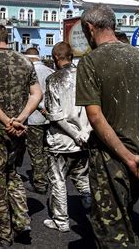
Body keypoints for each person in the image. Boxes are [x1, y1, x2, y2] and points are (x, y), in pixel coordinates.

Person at [76, 4, 139, 248]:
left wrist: (129, 158)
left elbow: (95, 117)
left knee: (114, 231)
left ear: (89, 28)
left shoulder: (90, 62)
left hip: (112, 159)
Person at [0, 24, 42, 246]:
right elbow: (37, 94)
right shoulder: (24, 60)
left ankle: (2, 232)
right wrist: (20, 118)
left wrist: (5, 120)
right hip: (18, 128)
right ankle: (22, 222)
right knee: (12, 173)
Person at [43, 42, 92, 233]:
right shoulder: (85, 76)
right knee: (82, 175)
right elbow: (95, 108)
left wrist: (74, 134)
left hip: (62, 140)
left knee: (58, 180)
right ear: (71, 56)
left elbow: (55, 115)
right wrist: (85, 132)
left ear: (56, 58)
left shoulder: (54, 79)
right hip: (85, 137)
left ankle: (61, 220)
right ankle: (89, 204)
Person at [22, 47, 54, 195]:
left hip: (34, 116)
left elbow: (31, 96)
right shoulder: (50, 71)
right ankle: (50, 177)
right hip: (50, 116)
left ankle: (40, 183)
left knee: (35, 151)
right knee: (47, 149)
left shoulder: (28, 71)